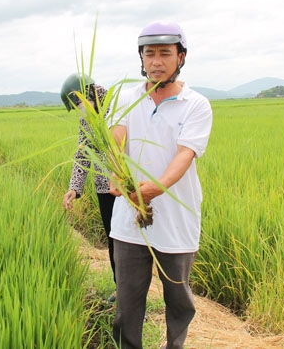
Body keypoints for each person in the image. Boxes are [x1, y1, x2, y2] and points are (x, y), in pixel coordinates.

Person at [108, 21, 213, 349]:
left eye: (165, 54)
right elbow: (115, 141)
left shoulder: (196, 105)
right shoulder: (126, 98)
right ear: (141, 58)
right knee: (127, 303)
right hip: (128, 223)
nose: (156, 61)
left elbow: (184, 157)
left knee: (179, 300)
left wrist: (150, 190)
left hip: (176, 222)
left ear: (180, 57)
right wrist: (117, 174)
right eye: (149, 53)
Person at [61, 73, 117, 300]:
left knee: (130, 244)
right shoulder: (87, 119)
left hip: (127, 189)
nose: (79, 111)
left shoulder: (117, 107)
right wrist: (74, 187)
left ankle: (135, 296)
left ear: (86, 93)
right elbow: (83, 155)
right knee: (113, 240)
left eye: (77, 104)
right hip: (104, 189)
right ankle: (121, 288)